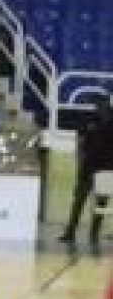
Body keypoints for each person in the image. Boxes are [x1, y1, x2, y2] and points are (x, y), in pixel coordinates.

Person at [61, 93, 113, 250]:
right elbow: (80, 142)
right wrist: (79, 162)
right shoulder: (89, 119)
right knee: (79, 201)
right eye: (96, 103)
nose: (98, 106)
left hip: (107, 168)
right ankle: (70, 232)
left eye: (100, 103)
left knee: (101, 203)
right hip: (87, 167)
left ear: (107, 103)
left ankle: (94, 234)